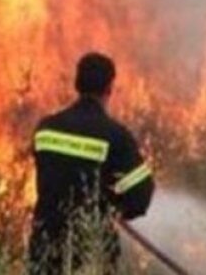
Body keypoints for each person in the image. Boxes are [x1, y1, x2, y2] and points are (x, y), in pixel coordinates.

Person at [28, 52, 154, 274]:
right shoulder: (115, 136)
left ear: (77, 84)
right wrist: (112, 207)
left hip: (45, 247)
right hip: (91, 250)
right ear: (109, 88)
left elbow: (51, 173)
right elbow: (141, 193)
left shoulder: (45, 129)